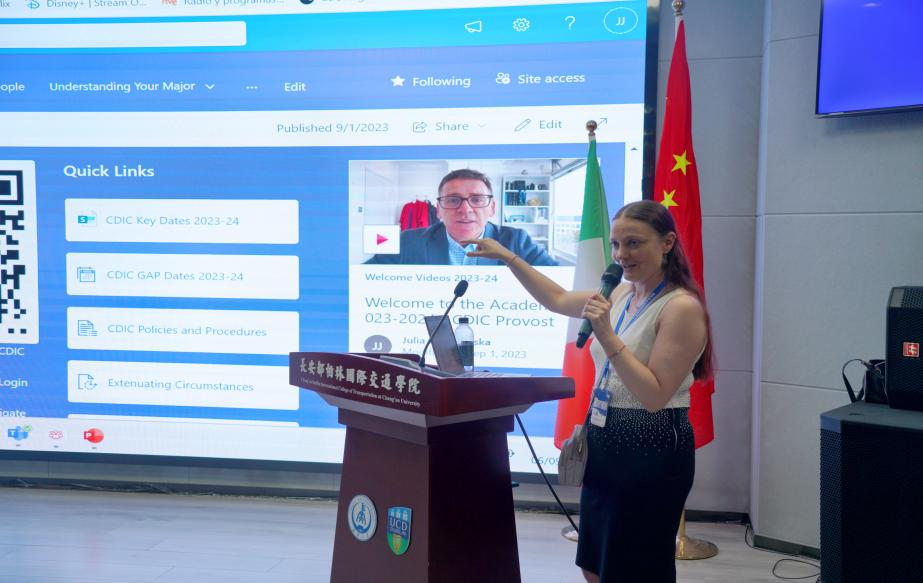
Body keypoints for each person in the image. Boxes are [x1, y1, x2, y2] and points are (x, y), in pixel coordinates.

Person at [465, 200, 714, 583]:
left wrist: (608, 335)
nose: (621, 254)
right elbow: (557, 299)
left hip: (652, 447)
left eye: (634, 243)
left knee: (635, 567)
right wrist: (507, 257)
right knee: (594, 563)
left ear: (667, 243)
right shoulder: (620, 293)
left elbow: (654, 396)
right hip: (605, 441)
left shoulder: (680, 307)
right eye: (616, 244)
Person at [364, 169, 557, 266]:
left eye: (477, 199)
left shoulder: (517, 241)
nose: (465, 210)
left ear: (492, 208)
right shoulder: (407, 241)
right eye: (453, 200)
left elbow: (558, 287)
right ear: (438, 210)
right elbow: (361, 279)